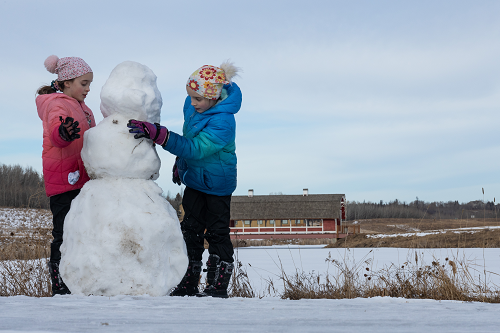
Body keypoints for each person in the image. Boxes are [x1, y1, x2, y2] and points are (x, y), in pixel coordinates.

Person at [127, 61, 242, 298]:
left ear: (214, 97)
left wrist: (160, 134)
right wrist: (180, 165)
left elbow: (197, 148)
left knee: (217, 233)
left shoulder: (224, 121)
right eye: (190, 97)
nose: (192, 103)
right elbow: (190, 139)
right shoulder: (194, 107)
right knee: (190, 230)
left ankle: (216, 285)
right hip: (195, 179)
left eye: (198, 98)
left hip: (217, 184)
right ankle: (187, 281)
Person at [36, 55, 95, 296]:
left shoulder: (83, 107)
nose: (88, 89)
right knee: (64, 232)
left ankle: (80, 280)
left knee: (82, 231)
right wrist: (64, 132)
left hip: (82, 179)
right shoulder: (57, 103)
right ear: (66, 82)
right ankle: (60, 285)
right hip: (64, 181)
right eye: (84, 83)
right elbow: (56, 132)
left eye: (90, 83)